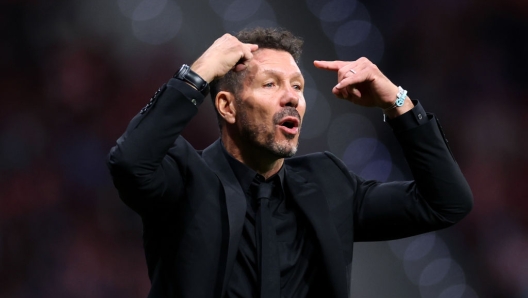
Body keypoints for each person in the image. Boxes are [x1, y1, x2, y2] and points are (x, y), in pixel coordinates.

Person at [107, 27, 473, 298]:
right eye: (270, 84)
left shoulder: (328, 184)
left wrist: (397, 103)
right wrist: (198, 73)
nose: (292, 98)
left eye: (297, 87)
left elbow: (445, 203)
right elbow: (129, 160)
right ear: (227, 106)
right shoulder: (184, 178)